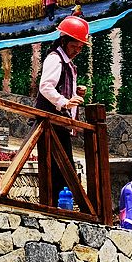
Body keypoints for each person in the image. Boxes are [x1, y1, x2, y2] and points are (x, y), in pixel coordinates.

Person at [35, 15, 89, 205]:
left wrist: (75, 92)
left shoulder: (66, 62)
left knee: (63, 168)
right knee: (60, 169)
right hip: (52, 122)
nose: (77, 51)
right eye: (74, 46)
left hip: (60, 123)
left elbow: (59, 86)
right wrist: (64, 102)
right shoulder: (55, 59)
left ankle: (60, 206)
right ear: (64, 41)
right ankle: (56, 207)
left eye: (80, 47)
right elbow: (46, 87)